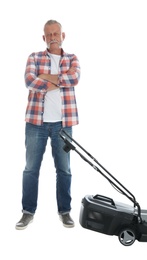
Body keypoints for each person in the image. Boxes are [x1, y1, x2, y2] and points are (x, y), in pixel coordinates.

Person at [15, 19, 81, 230]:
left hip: (63, 125)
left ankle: (65, 212)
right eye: (49, 34)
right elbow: (29, 82)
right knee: (31, 169)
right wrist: (58, 80)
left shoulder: (72, 58)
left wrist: (44, 77)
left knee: (64, 169)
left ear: (63, 36)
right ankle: (27, 212)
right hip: (36, 124)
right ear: (44, 38)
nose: (53, 37)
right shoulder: (34, 57)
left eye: (56, 33)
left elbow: (75, 79)